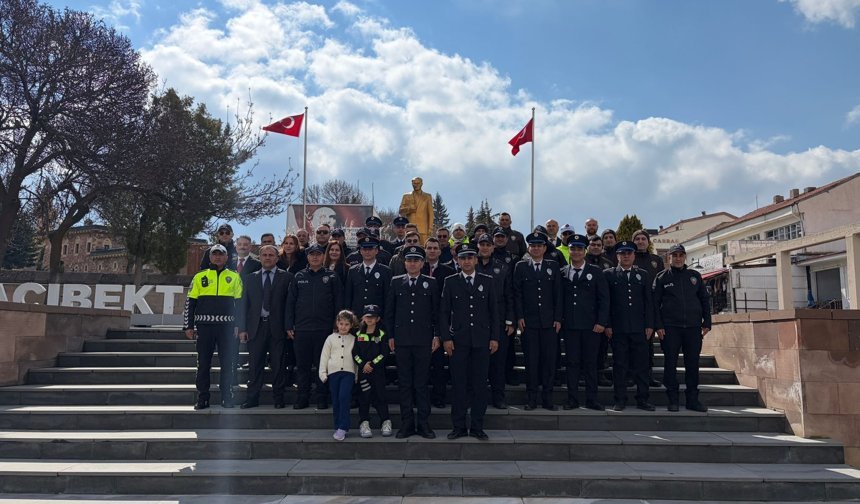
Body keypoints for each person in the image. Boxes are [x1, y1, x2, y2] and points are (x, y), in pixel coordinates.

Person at [440, 242, 499, 441]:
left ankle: (477, 426)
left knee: (480, 385)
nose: (466, 261)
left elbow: (494, 312)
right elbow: (444, 312)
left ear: (475, 260)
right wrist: (446, 338)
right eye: (463, 258)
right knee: (459, 385)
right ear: (458, 260)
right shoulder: (450, 281)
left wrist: (494, 337)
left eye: (470, 258)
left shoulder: (488, 280)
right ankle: (458, 426)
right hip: (458, 342)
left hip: (482, 341)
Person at [384, 245, 439, 439]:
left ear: (422, 263)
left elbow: (436, 314)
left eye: (416, 260)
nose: (413, 263)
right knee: (405, 383)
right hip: (402, 340)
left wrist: (437, 335)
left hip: (424, 340)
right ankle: (407, 423)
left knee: (421, 383)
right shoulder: (396, 282)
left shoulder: (431, 283)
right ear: (405, 263)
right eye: (409, 260)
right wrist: (390, 336)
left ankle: (423, 424)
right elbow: (389, 312)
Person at [184, 244, 243, 410]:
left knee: (228, 364)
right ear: (210, 257)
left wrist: (238, 325)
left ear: (226, 257)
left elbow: (239, 304)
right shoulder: (199, 276)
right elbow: (190, 302)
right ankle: (203, 398)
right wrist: (188, 325)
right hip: (204, 326)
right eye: (214, 254)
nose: (217, 257)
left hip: (227, 327)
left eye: (221, 254)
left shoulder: (234, 276)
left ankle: (227, 397)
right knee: (203, 363)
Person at [653, 244, 711, 413]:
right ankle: (673, 399)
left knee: (692, 364)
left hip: (693, 328)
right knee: (670, 364)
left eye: (681, 255)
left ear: (685, 257)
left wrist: (707, 322)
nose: (678, 258)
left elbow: (704, 300)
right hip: (670, 328)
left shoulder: (694, 276)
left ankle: (692, 399)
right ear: (668, 258)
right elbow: (655, 305)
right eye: (674, 255)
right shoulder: (662, 277)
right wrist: (658, 325)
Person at [286, 243, 343, 410]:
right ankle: (302, 398)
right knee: (302, 367)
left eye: (318, 254)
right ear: (308, 257)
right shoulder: (298, 276)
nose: (315, 257)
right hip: (301, 330)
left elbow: (339, 301)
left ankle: (322, 398)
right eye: (312, 254)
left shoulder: (331, 276)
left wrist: (336, 325)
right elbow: (290, 303)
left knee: (322, 366)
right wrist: (289, 324)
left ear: (322, 256)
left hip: (325, 329)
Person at [237, 245, 292, 409]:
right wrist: (242, 328)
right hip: (256, 327)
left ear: (276, 258)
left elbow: (290, 305)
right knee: (255, 365)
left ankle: (279, 398)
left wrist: (289, 326)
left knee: (278, 365)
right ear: (259, 258)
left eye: (271, 255)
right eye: (264, 255)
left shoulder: (287, 277)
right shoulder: (249, 278)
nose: (267, 258)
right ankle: (252, 398)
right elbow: (243, 305)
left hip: (278, 328)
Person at [513, 231, 563, 410]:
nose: (536, 248)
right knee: (531, 362)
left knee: (549, 362)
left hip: (549, 323)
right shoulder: (520, 266)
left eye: (539, 245)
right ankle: (532, 398)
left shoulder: (553, 266)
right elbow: (517, 294)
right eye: (533, 245)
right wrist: (519, 316)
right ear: (529, 248)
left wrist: (558, 317)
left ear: (544, 248)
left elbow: (558, 294)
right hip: (529, 323)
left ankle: (547, 398)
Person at [560, 235, 610, 411]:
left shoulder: (596, 272)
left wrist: (601, 322)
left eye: (579, 249)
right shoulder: (563, 272)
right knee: (572, 364)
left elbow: (604, 299)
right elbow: (559, 300)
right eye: (573, 248)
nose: (576, 252)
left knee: (590, 364)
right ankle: (572, 399)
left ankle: (592, 399)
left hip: (591, 327)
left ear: (585, 251)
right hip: (571, 326)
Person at [604, 241, 655, 412]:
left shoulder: (644, 275)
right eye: (622, 253)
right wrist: (608, 325)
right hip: (618, 329)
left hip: (640, 328)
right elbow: (606, 303)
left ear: (633, 255)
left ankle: (643, 399)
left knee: (641, 366)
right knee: (619, 366)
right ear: (617, 256)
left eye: (629, 253)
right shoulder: (609, 275)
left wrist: (649, 324)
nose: (626, 256)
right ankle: (620, 399)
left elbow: (649, 302)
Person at [475, 233, 515, 409]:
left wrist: (510, 320)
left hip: (498, 321)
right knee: (476, 363)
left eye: (488, 245)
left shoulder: (503, 267)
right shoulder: (470, 265)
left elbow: (509, 295)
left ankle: (498, 397)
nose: (484, 247)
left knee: (498, 363)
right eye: (482, 244)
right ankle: (476, 397)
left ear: (493, 247)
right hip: (475, 322)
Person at [422, 237, 455, 408]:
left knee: (439, 363)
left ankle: (439, 397)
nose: (432, 250)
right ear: (425, 250)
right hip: (420, 322)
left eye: (435, 248)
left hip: (441, 320)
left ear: (440, 251)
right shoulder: (418, 267)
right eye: (429, 248)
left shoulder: (448, 272)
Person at [352, 304, 392, 437]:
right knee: (364, 397)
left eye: (372, 317)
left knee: (381, 396)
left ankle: (385, 421)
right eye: (367, 316)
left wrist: (373, 364)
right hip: (364, 372)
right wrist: (363, 364)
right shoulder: (358, 334)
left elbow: (384, 353)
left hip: (378, 372)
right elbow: (355, 353)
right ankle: (364, 422)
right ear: (363, 317)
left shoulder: (381, 334)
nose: (369, 319)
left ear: (378, 319)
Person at [632, 229, 665, 388]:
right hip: (633, 306)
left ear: (648, 241)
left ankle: (648, 375)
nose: (640, 241)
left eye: (643, 238)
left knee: (649, 344)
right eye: (637, 239)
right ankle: (631, 376)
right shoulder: (630, 257)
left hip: (651, 306)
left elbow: (661, 282)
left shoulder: (656, 260)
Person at [319, 310, 358, 441]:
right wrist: (323, 373)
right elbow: (324, 356)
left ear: (351, 325)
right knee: (336, 400)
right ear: (337, 323)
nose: (343, 327)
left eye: (346, 324)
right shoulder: (330, 338)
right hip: (334, 374)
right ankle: (337, 425)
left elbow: (357, 359)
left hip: (348, 373)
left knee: (344, 397)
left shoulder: (354, 339)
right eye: (341, 324)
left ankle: (343, 426)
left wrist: (356, 375)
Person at [345, 236, 392, 321]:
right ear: (360, 251)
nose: (367, 252)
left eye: (370, 249)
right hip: (357, 318)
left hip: (377, 319)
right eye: (364, 249)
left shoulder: (385, 271)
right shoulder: (353, 271)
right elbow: (348, 297)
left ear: (376, 251)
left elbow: (388, 299)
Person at [398, 176, 434, 241]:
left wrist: (430, 228)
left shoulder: (428, 196)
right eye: (414, 183)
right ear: (412, 184)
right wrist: (409, 209)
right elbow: (400, 211)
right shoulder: (406, 196)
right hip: (410, 228)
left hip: (423, 229)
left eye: (418, 183)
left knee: (423, 249)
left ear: (421, 184)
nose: (416, 185)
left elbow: (430, 213)